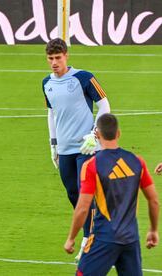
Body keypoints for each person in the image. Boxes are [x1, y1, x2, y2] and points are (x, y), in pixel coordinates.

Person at [64, 113, 159, 275]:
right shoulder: (137, 161)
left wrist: (71, 238)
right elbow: (154, 200)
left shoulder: (91, 165)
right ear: (118, 133)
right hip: (130, 239)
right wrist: (153, 230)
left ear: (98, 135)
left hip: (104, 238)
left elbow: (82, 208)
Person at [42, 38, 111, 259]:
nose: (54, 63)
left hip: (87, 147)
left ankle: (88, 239)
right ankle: (92, 232)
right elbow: (51, 113)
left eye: (58, 58)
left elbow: (105, 105)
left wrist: (94, 133)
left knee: (85, 194)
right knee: (73, 193)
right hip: (64, 148)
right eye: (51, 59)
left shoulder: (84, 77)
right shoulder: (46, 83)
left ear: (66, 56)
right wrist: (53, 144)